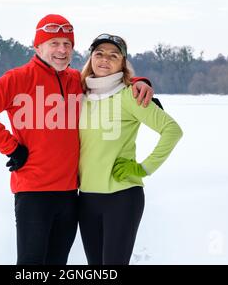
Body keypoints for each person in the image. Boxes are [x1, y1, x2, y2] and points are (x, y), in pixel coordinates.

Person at [0, 14, 155, 265]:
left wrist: (140, 83)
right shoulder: (17, 79)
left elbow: (109, 81)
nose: (62, 50)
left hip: (69, 194)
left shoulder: (78, 80)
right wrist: (11, 147)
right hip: (33, 192)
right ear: (37, 46)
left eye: (67, 44)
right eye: (54, 43)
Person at [78, 33, 183, 265]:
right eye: (99, 54)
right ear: (90, 58)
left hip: (121, 198)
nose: (105, 59)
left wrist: (144, 168)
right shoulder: (79, 95)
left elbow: (172, 130)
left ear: (123, 63)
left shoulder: (130, 96)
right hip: (85, 199)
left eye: (114, 55)